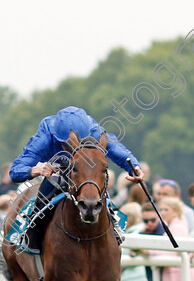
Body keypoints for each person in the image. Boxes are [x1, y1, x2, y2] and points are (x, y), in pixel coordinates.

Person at [8, 106, 145, 254]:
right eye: (68, 145)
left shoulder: (93, 130)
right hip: (56, 169)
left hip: (84, 171)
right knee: (49, 188)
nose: (74, 148)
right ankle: (31, 231)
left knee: (96, 185)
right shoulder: (46, 134)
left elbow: (118, 150)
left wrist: (135, 168)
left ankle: (115, 228)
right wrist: (37, 170)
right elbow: (15, 171)